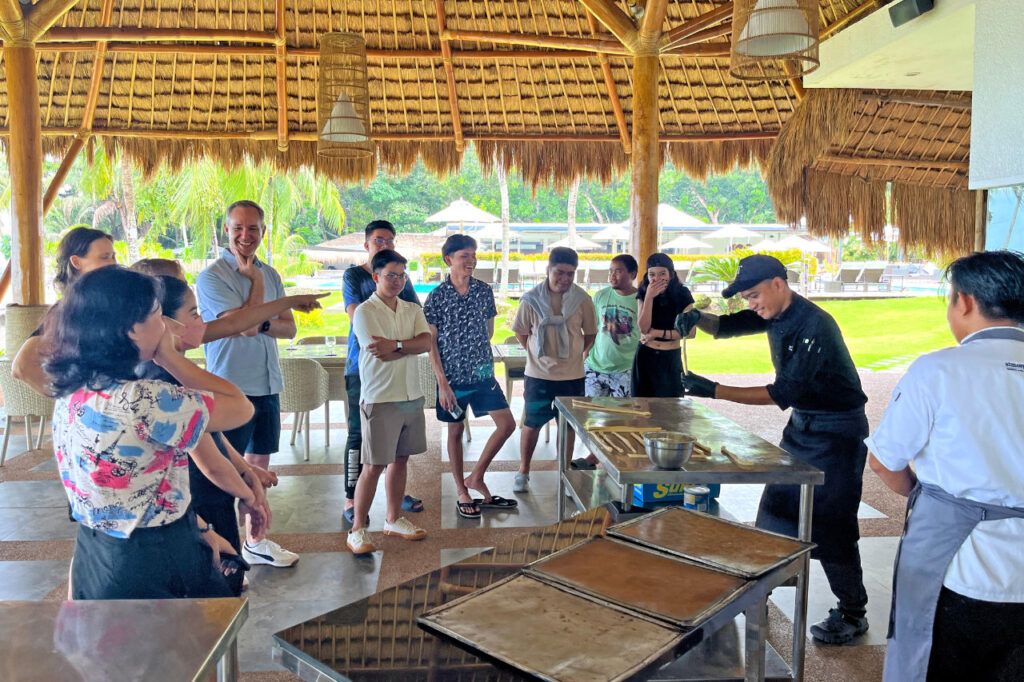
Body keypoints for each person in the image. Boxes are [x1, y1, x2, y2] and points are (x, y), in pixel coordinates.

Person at [675, 254, 870, 644]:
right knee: (775, 512)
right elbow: (731, 325)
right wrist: (698, 318)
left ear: (778, 284)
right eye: (747, 297)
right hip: (803, 426)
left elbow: (782, 393)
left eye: (754, 295)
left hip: (838, 433)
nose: (751, 304)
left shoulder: (813, 325)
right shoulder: (775, 312)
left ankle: (853, 612)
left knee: (831, 523)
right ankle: (756, 595)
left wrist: (713, 389)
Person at [44, 266, 255, 599]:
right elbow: (241, 407)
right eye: (158, 315)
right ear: (131, 330)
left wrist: (200, 530)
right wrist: (170, 358)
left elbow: (146, 490)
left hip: (95, 557)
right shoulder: (146, 400)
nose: (166, 326)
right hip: (153, 562)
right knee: (197, 632)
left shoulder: (72, 393)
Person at [865, 251, 1024, 681]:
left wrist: (925, 497)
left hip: (960, 572)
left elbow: (883, 462)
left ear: (965, 302)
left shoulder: (938, 369)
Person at [139, 275, 278, 596]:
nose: (202, 321)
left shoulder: (174, 373)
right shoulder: (164, 380)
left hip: (203, 502)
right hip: (197, 502)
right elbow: (212, 462)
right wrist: (251, 497)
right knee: (213, 599)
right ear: (166, 324)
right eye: (193, 313)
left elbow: (208, 432)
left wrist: (246, 470)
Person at [195, 200, 299, 569]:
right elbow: (248, 327)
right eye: (238, 227)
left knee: (258, 468)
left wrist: (262, 319)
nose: (245, 235)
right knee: (227, 474)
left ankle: (255, 542)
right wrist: (254, 283)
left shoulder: (271, 273)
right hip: (231, 389)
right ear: (226, 230)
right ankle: (225, 548)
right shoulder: (212, 277)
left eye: (253, 228)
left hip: (267, 384)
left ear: (263, 231)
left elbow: (289, 328)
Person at [425, 235, 517, 519]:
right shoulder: (436, 297)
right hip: (451, 379)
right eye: (465, 255)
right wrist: (442, 384)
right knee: (455, 431)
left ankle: (476, 476)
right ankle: (461, 490)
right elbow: (431, 343)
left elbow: (488, 331)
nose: (471, 260)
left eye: (474, 255)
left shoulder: (484, 291)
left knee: (507, 425)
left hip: (482, 375)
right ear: (448, 259)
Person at [347, 250, 432, 555]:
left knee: (401, 459)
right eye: (390, 275)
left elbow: (426, 342)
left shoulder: (412, 309)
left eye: (401, 275)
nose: (397, 281)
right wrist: (409, 347)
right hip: (380, 398)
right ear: (376, 277)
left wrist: (396, 345)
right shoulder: (365, 311)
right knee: (373, 465)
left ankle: (393, 519)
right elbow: (377, 352)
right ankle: (357, 529)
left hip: (411, 396)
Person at [511, 247, 597, 493]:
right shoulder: (530, 299)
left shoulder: (582, 299)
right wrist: (538, 352)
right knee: (532, 423)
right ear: (548, 269)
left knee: (567, 426)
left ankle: (565, 473)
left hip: (572, 376)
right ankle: (523, 470)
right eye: (560, 272)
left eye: (570, 274)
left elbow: (590, 333)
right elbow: (521, 332)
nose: (565, 279)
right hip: (538, 375)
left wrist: (575, 354)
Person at [13, 227, 116, 394]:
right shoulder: (70, 309)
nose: (113, 263)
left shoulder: (109, 302)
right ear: (76, 262)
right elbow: (22, 366)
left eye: (113, 257)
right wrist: (72, 398)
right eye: (105, 257)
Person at [572, 254, 640, 470]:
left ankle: (607, 458)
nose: (612, 275)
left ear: (632, 274)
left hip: (625, 369)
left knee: (621, 418)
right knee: (590, 416)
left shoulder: (641, 300)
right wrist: (585, 356)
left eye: (618, 271)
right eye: (610, 271)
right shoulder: (600, 296)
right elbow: (591, 330)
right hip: (595, 366)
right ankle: (596, 454)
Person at [633, 252, 694, 398]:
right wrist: (649, 297)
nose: (657, 279)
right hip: (646, 355)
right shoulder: (644, 292)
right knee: (642, 405)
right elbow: (643, 328)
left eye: (662, 274)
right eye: (652, 274)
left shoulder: (682, 294)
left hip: (670, 357)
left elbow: (690, 333)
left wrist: (656, 333)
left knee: (671, 406)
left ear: (671, 274)